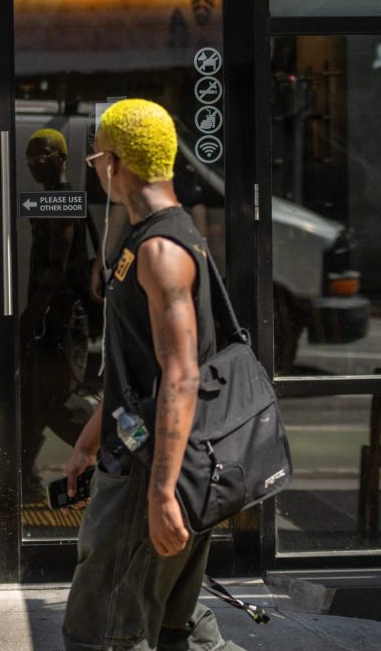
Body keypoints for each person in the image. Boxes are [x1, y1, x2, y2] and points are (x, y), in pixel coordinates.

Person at [62, 99, 244, 651]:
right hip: (147, 456)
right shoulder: (147, 239)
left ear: (115, 163)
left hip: (151, 471)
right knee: (172, 627)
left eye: (95, 158)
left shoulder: (162, 249)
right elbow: (135, 363)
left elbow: (181, 376)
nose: (94, 169)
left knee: (102, 631)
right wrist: (90, 438)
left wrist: (162, 492)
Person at [19, 128, 97, 502]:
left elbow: (56, 268)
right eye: (31, 158)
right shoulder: (52, 199)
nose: (36, 163)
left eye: (45, 156)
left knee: (56, 400)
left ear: (63, 157)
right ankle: (24, 480)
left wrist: (30, 317)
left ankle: (121, 454)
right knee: (33, 399)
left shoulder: (63, 201)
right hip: (49, 315)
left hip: (59, 317)